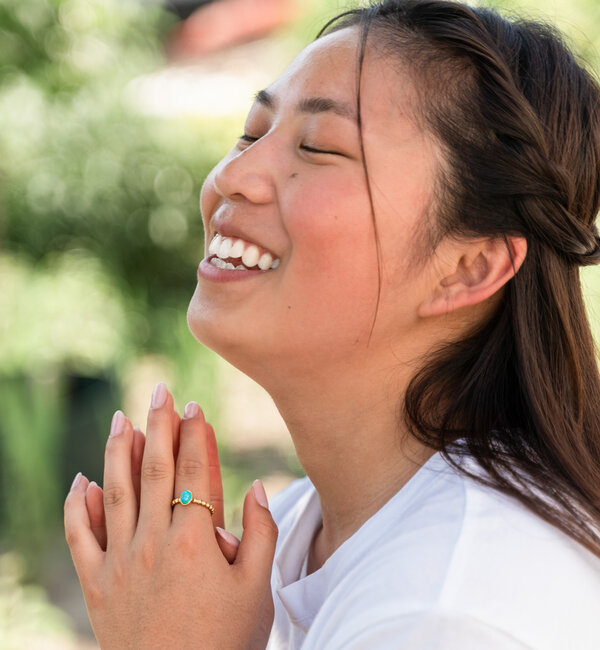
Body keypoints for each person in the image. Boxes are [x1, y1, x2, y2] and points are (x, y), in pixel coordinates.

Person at [64, 0, 600, 647]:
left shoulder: (448, 612)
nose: (232, 176)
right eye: (251, 133)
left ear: (468, 268)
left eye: (317, 147)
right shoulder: (300, 531)